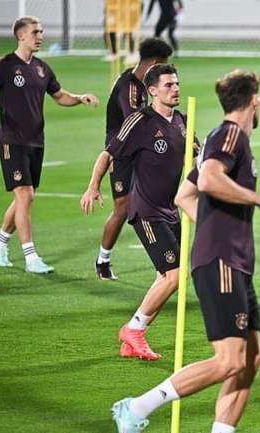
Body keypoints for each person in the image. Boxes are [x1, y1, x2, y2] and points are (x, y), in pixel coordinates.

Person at [111, 69, 260, 433]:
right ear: (253, 101)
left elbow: (184, 196)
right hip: (222, 263)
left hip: (235, 262)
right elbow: (209, 179)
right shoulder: (229, 135)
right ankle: (137, 407)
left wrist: (212, 227)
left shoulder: (224, 138)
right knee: (228, 361)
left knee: (250, 360)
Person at [81, 64, 191, 361]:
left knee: (167, 276)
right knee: (174, 275)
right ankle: (135, 330)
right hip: (145, 211)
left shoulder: (182, 121)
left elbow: (200, 155)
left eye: (177, 84)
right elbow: (108, 153)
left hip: (171, 211)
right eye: (168, 85)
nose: (175, 89)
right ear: (152, 90)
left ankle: (132, 334)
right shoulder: (139, 121)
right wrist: (93, 187)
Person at [0, 16, 98, 274]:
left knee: (25, 197)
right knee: (25, 195)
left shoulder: (42, 68)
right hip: (12, 140)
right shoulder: (5, 65)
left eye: (41, 32)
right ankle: (31, 256)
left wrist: (79, 98)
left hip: (36, 142)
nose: (40, 36)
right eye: (35, 32)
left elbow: (59, 95)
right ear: (21, 36)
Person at [95, 37, 173, 281]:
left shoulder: (140, 82)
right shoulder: (129, 87)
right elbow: (136, 122)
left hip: (140, 152)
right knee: (123, 208)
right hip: (121, 154)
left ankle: (165, 261)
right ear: (154, 63)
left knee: (154, 201)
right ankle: (103, 260)